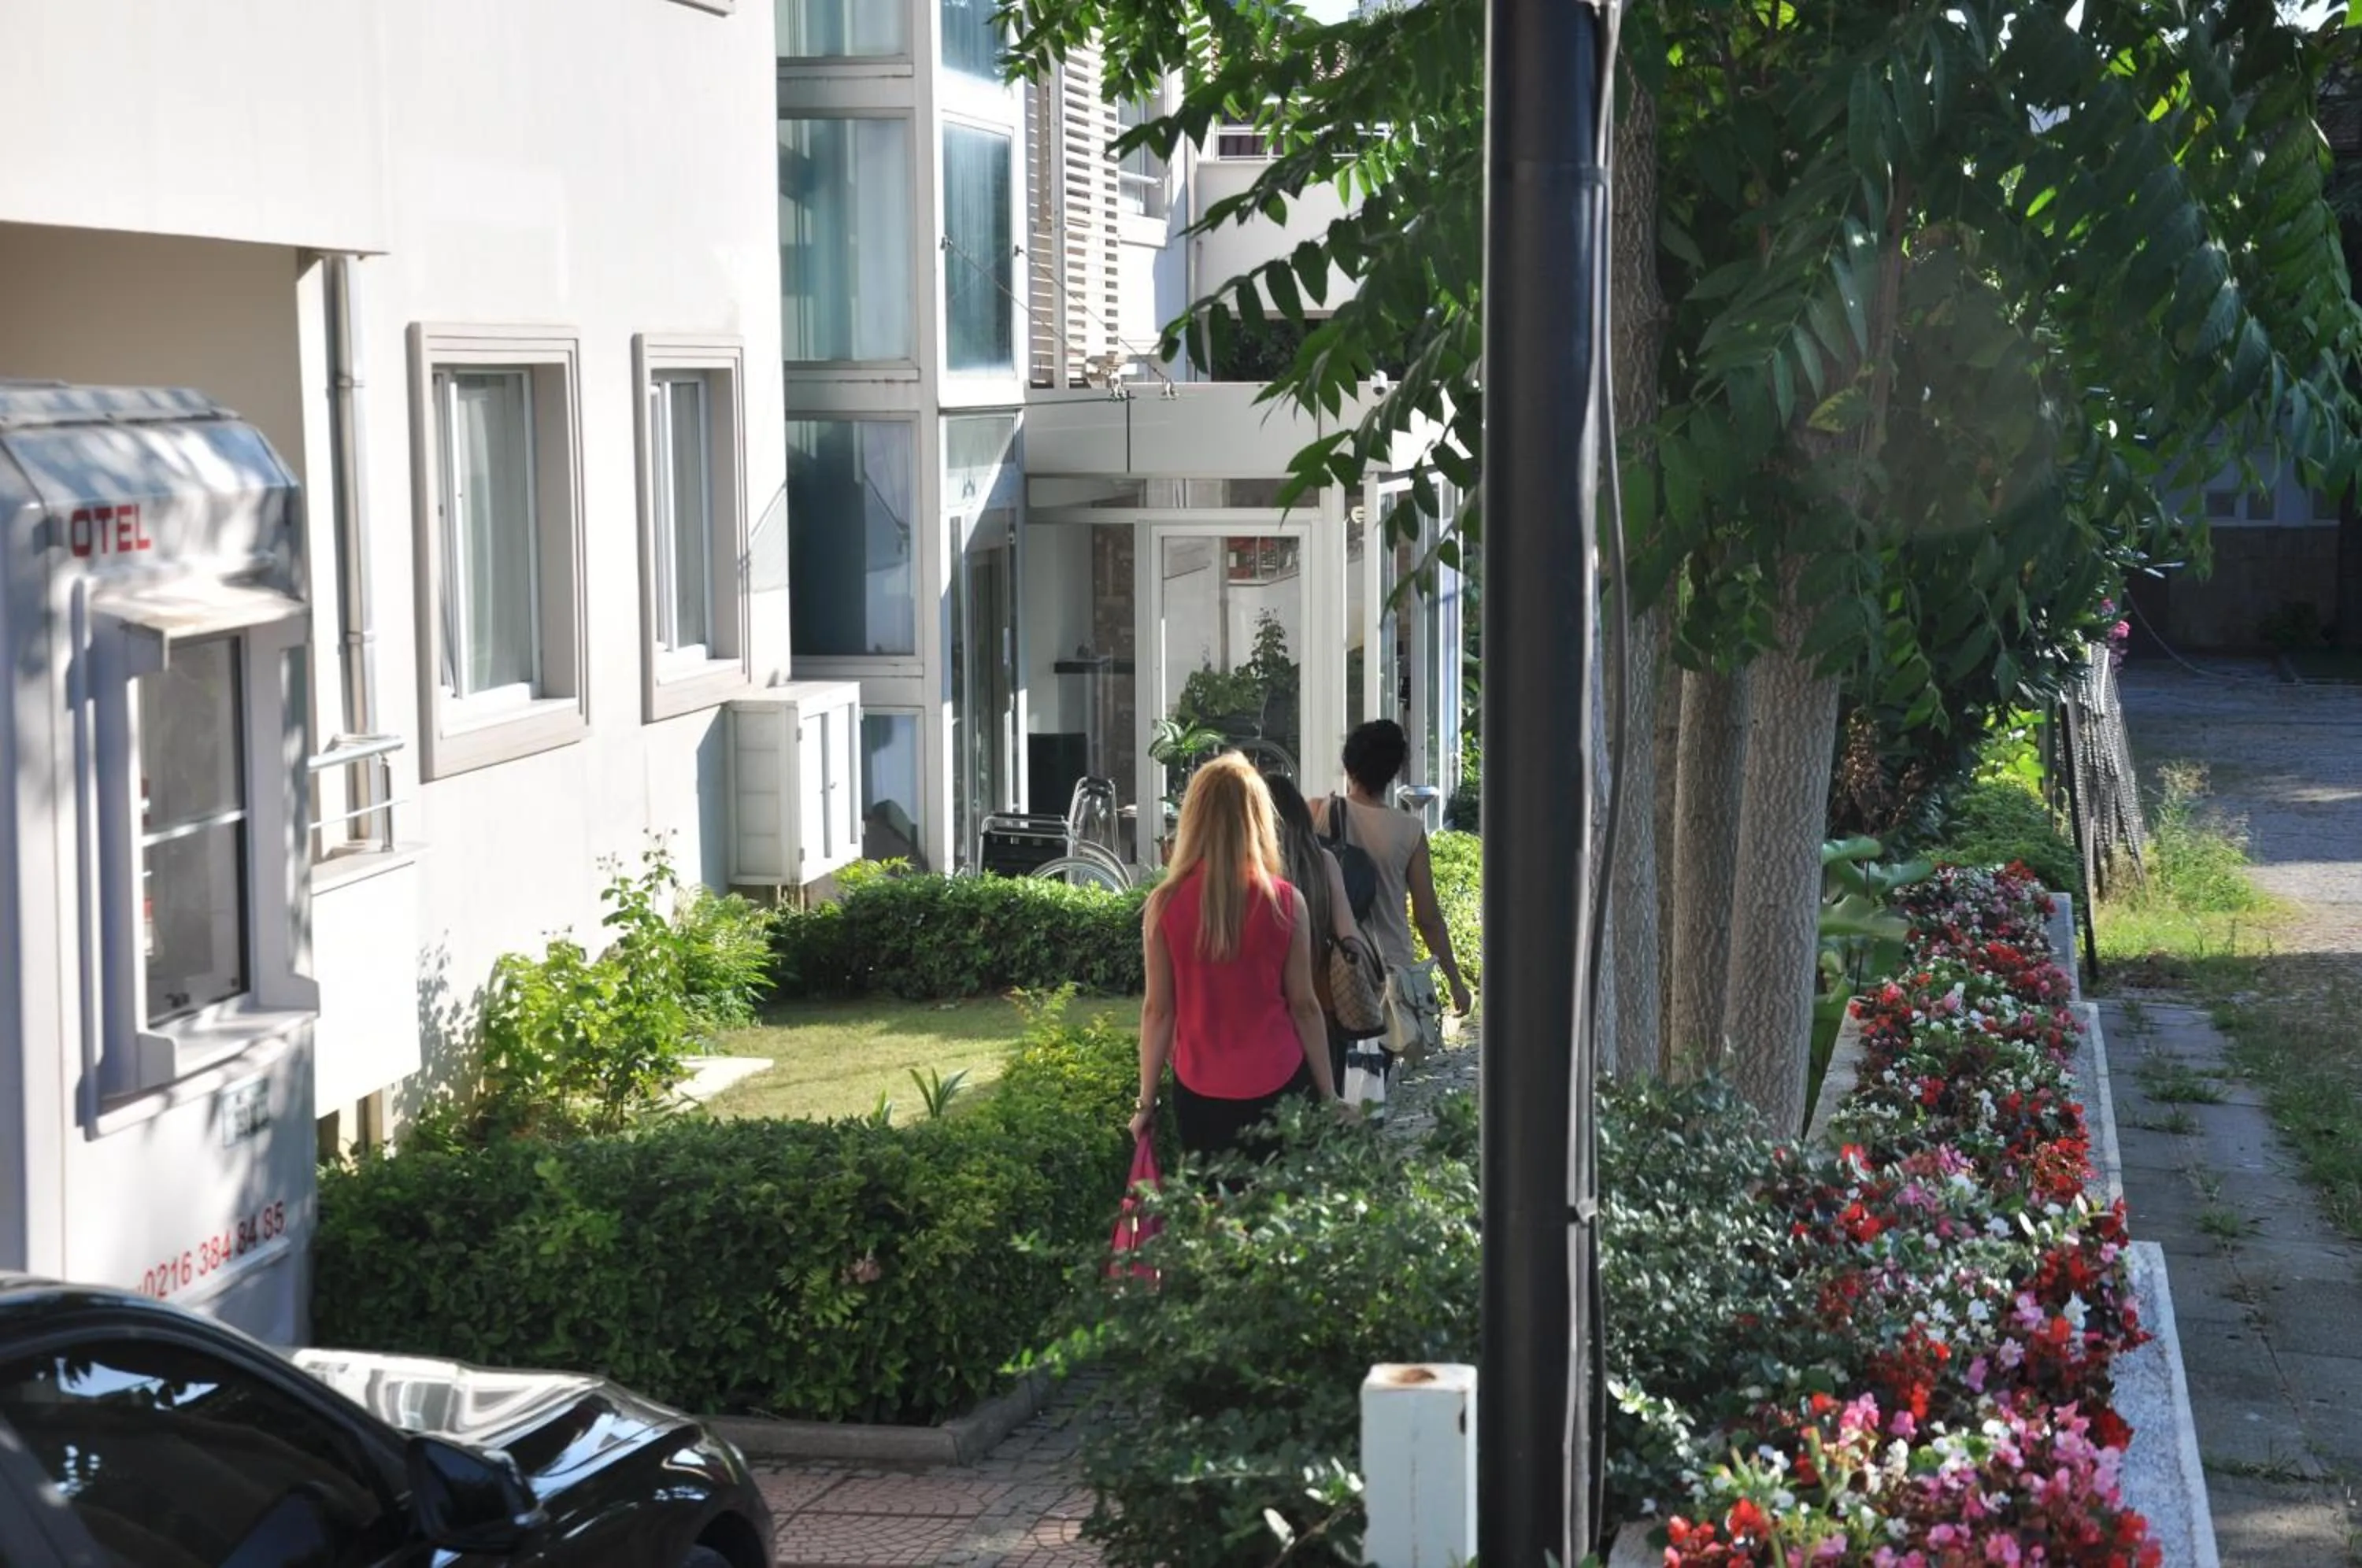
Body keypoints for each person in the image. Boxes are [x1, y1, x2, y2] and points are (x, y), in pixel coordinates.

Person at [1130, 753, 1346, 1159]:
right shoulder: (1285, 902)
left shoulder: (1164, 904)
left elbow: (1158, 1010)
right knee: (1278, 1214)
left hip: (1199, 1091)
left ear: (1193, 817)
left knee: (1215, 1215)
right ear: (1259, 818)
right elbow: (1304, 1006)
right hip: (1280, 1082)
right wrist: (1329, 1093)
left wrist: (1145, 1104)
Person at [1316, 719, 1474, 1017]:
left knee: (1337, 1060)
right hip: (1389, 972)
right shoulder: (1409, 831)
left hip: (1332, 964)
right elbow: (1427, 918)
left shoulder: (1318, 813)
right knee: (1380, 1061)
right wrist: (1455, 982)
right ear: (1393, 772)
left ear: (1348, 764)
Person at [1264, 773, 1367, 1089]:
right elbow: (1349, 933)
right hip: (1322, 1000)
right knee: (1324, 1097)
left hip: (1268, 1002)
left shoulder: (1255, 869)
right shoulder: (1324, 862)